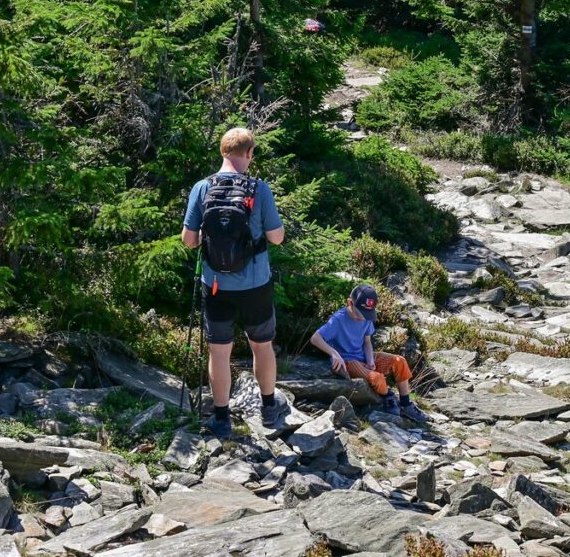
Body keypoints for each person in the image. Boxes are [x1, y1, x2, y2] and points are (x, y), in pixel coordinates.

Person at [182, 127, 289, 438]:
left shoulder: (202, 188)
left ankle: (221, 418)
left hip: (215, 285)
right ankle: (269, 409)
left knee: (219, 351)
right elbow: (276, 237)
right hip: (255, 284)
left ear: (222, 152)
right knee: (261, 345)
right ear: (250, 154)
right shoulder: (259, 189)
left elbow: (188, 240)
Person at [310, 285, 428, 423]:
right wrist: (334, 353)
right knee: (376, 378)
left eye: (367, 314)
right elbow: (315, 338)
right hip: (348, 362)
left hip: (363, 357)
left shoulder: (366, 318)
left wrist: (370, 359)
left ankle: (406, 404)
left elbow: (367, 342)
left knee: (399, 360)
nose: (363, 318)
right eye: (360, 313)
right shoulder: (338, 319)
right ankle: (388, 397)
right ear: (350, 303)